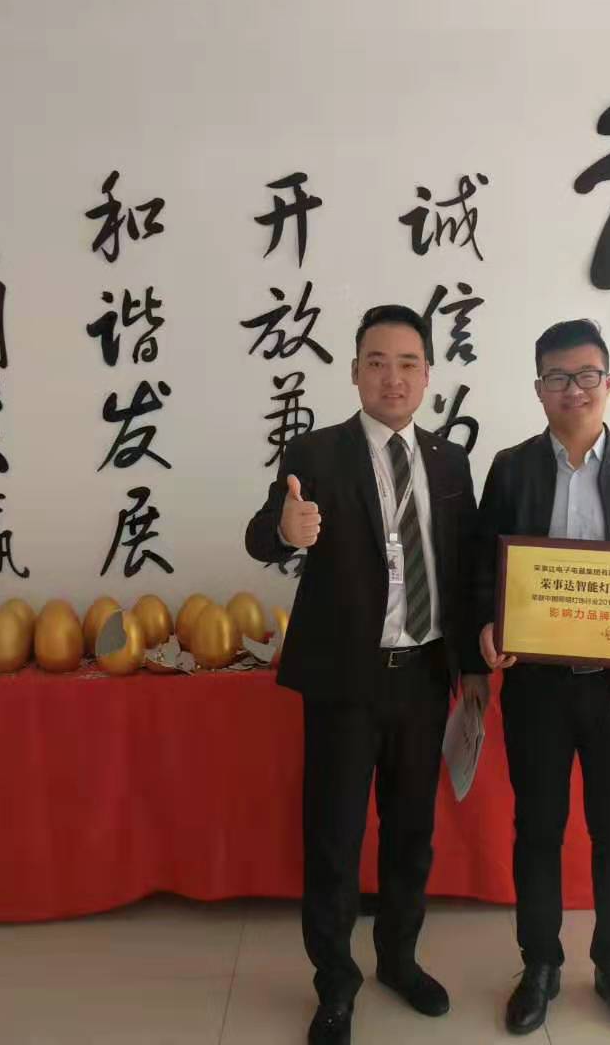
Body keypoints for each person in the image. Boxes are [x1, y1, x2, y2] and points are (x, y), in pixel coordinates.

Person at [246, 304, 489, 1045]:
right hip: (345, 682)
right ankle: (335, 985)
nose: (393, 377)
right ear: (354, 372)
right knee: (334, 837)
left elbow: (467, 568)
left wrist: (472, 668)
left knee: (412, 832)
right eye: (377, 363)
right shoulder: (315, 452)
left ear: (428, 375)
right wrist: (284, 531)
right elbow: (262, 534)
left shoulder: (449, 461)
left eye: (408, 363)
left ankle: (398, 961)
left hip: (424, 677)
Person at [474, 318, 610, 1040]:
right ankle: (538, 965)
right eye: (558, 377)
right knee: (537, 829)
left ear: (609, 383)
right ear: (539, 389)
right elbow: (483, 560)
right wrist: (487, 623)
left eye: (587, 375)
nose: (574, 389)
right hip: (536, 687)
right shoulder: (511, 468)